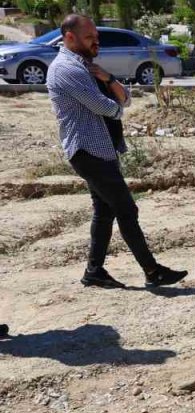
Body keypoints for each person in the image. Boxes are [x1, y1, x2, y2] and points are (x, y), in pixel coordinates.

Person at [49, 14, 186, 289]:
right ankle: (152, 271)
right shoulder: (67, 69)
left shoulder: (87, 66)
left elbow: (125, 98)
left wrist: (110, 80)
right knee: (126, 209)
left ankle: (94, 271)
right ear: (69, 37)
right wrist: (117, 102)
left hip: (99, 151)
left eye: (96, 37)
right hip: (88, 152)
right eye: (89, 38)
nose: (95, 42)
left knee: (104, 211)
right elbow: (106, 106)